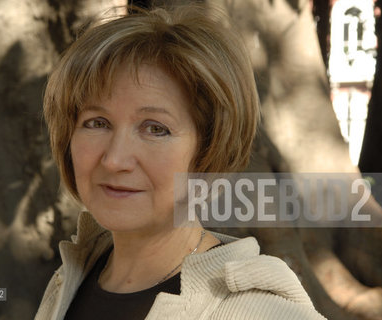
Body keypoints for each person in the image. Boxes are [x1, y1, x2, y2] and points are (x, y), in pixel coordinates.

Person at [35, 4, 326, 320]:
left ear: (209, 150)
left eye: (155, 128)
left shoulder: (259, 313)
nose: (115, 159)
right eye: (98, 123)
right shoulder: (69, 280)